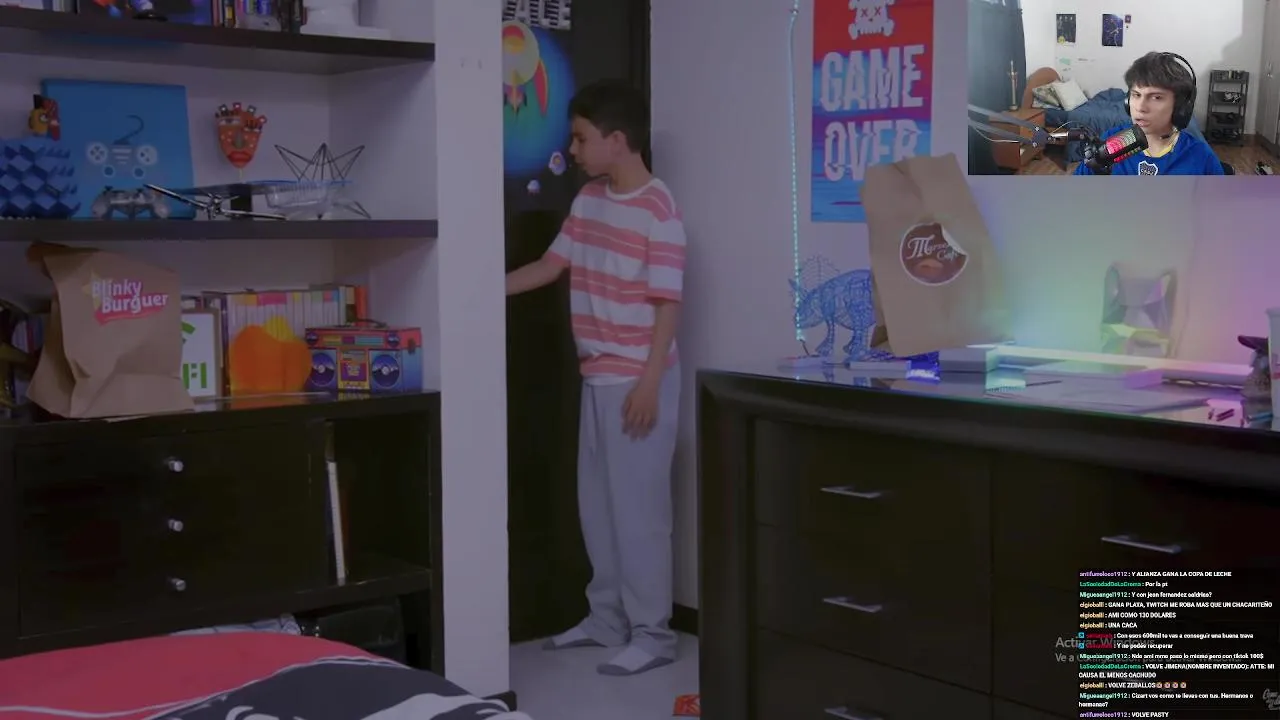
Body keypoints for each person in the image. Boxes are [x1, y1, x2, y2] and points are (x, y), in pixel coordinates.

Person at [505, 79, 685, 676]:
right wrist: (478, 290)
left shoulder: (660, 210)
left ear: (618, 140)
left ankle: (653, 634)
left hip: (639, 380)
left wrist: (650, 382)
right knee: (598, 509)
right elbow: (549, 265)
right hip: (597, 376)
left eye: (581, 139)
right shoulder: (588, 201)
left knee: (640, 515)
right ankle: (607, 618)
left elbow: (667, 303)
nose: (573, 150)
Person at [1075, 52, 1224, 176]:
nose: (1140, 107)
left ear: (1180, 107)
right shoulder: (1111, 141)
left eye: (1156, 97)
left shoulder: (1200, 157)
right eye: (1136, 95)